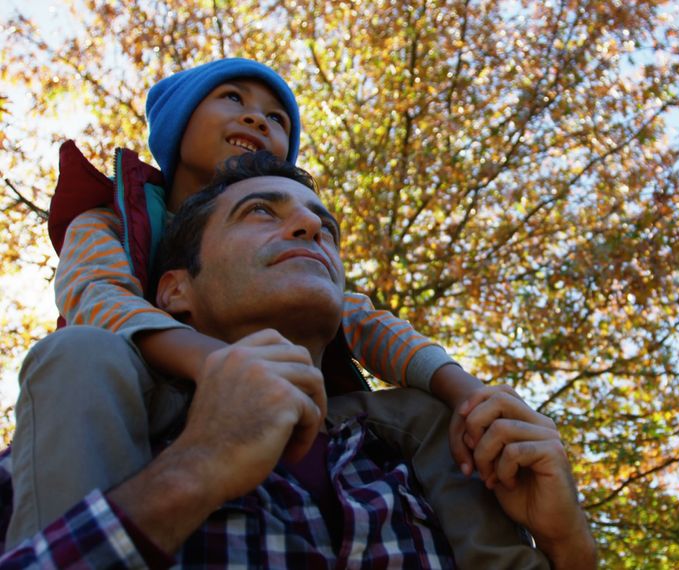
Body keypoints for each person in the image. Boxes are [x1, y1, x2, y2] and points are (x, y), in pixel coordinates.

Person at [8, 58, 544, 566]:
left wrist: (469, 396)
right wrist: (220, 364)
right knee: (80, 355)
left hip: (304, 396)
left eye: (276, 118)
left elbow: (366, 322)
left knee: (427, 415)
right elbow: (96, 298)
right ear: (176, 124)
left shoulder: (295, 246)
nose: (255, 118)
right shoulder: (111, 220)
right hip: (155, 388)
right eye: (232, 98)